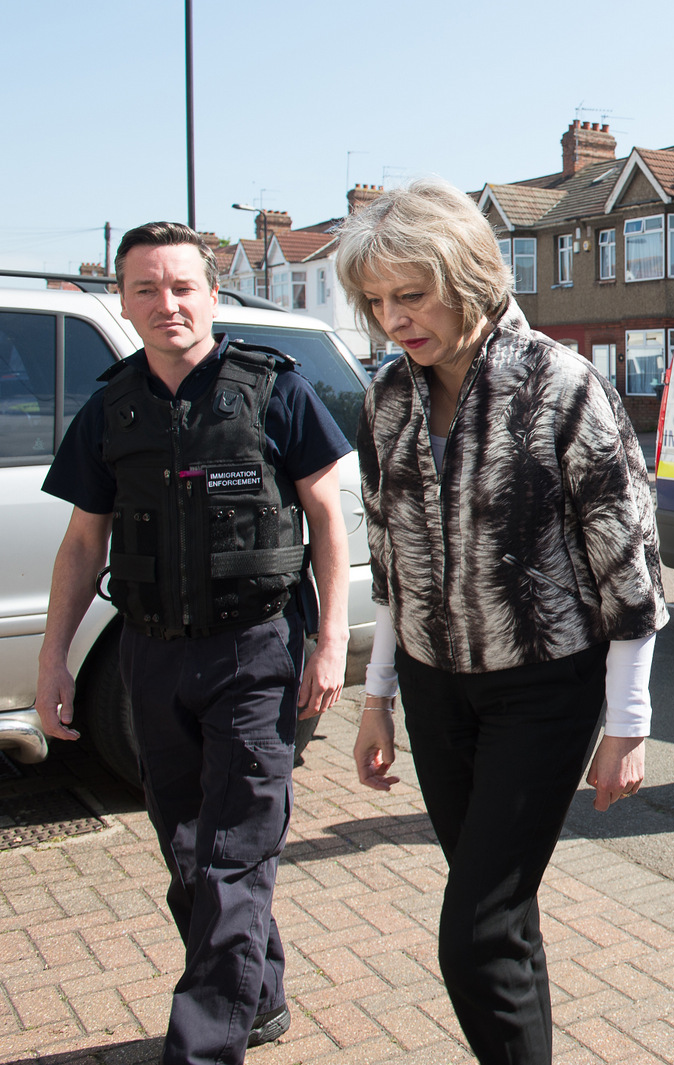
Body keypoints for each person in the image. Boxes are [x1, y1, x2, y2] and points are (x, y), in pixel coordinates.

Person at [339, 179, 668, 1065]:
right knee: (504, 920)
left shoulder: (561, 385)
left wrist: (628, 723)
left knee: (474, 933)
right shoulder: (385, 402)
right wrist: (377, 699)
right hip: (434, 686)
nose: (394, 318)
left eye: (412, 294)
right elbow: (390, 560)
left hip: (543, 688)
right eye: (376, 301)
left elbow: (628, 567)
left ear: (469, 276)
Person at [34, 222, 350, 1064]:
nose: (166, 303)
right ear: (124, 300)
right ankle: (263, 994)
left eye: (182, 287)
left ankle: (204, 1043)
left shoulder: (275, 390)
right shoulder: (111, 406)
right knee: (185, 845)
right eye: (146, 288)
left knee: (235, 852)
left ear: (213, 294)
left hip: (255, 651)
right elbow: (80, 544)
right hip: (151, 653)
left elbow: (327, 519)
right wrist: (53, 655)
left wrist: (331, 644)